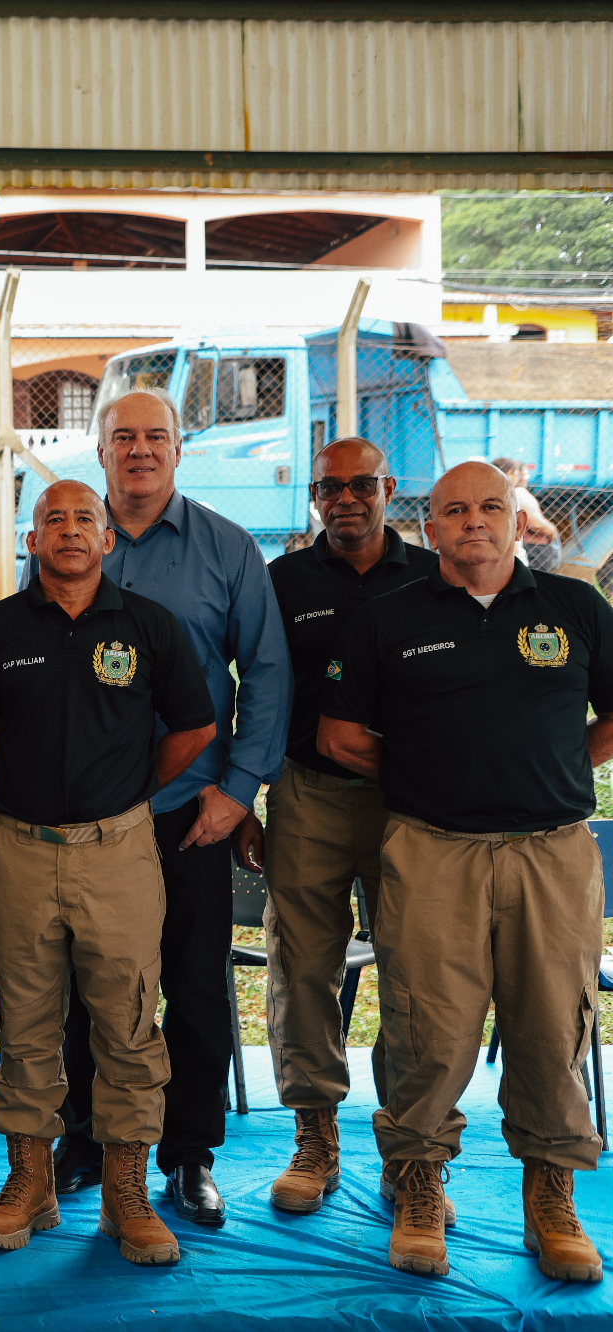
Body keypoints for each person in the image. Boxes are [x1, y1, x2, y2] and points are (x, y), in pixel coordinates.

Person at [321, 460, 613, 1284]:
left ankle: (548, 1198)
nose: (473, 522)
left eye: (490, 507)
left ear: (518, 522)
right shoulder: (387, 619)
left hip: (550, 853)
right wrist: (430, 775)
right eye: (455, 510)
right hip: (431, 849)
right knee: (425, 1026)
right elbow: (341, 736)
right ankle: (417, 1187)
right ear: (429, 525)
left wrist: (557, 764)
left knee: (552, 1024)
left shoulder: (573, 608)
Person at [37, 390, 288, 1224]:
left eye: (155, 436)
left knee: (193, 983)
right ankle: (85, 1139)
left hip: (191, 813)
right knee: (86, 984)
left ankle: (187, 1155)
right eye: (122, 438)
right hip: (84, 818)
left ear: (179, 449)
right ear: (98, 451)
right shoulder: (66, 540)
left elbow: (267, 673)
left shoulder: (225, 548)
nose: (138, 450)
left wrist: (237, 789)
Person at [0, 479, 216, 1265]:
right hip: (22, 854)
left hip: (120, 853)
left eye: (83, 519)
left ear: (107, 540)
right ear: (30, 540)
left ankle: (124, 1194)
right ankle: (28, 1185)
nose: (68, 530)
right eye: (51, 519)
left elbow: (195, 724)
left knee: (128, 1024)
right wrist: (31, 779)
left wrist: (126, 788)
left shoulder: (148, 626)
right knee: (27, 1022)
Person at [233, 438, 438, 1216]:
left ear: (388, 487)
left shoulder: (431, 575)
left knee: (418, 972)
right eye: (328, 487)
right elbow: (253, 691)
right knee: (301, 968)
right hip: (307, 796)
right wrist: (245, 793)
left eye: (360, 485)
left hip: (411, 805)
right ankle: (314, 1138)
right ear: (313, 497)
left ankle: (408, 1150)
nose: (344, 498)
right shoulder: (281, 582)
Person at [493, 457, 561, 571]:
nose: (525, 477)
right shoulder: (515, 494)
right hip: (529, 553)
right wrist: (552, 531)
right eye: (522, 474)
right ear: (510, 474)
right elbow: (536, 524)